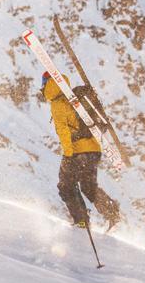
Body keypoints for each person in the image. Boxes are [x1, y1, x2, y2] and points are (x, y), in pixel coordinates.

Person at [41, 71, 120, 229]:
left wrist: (68, 155)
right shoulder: (73, 97)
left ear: (47, 84)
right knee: (88, 187)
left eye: (43, 83)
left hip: (77, 152)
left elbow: (64, 132)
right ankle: (111, 213)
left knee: (65, 186)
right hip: (94, 150)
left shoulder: (58, 103)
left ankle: (81, 221)